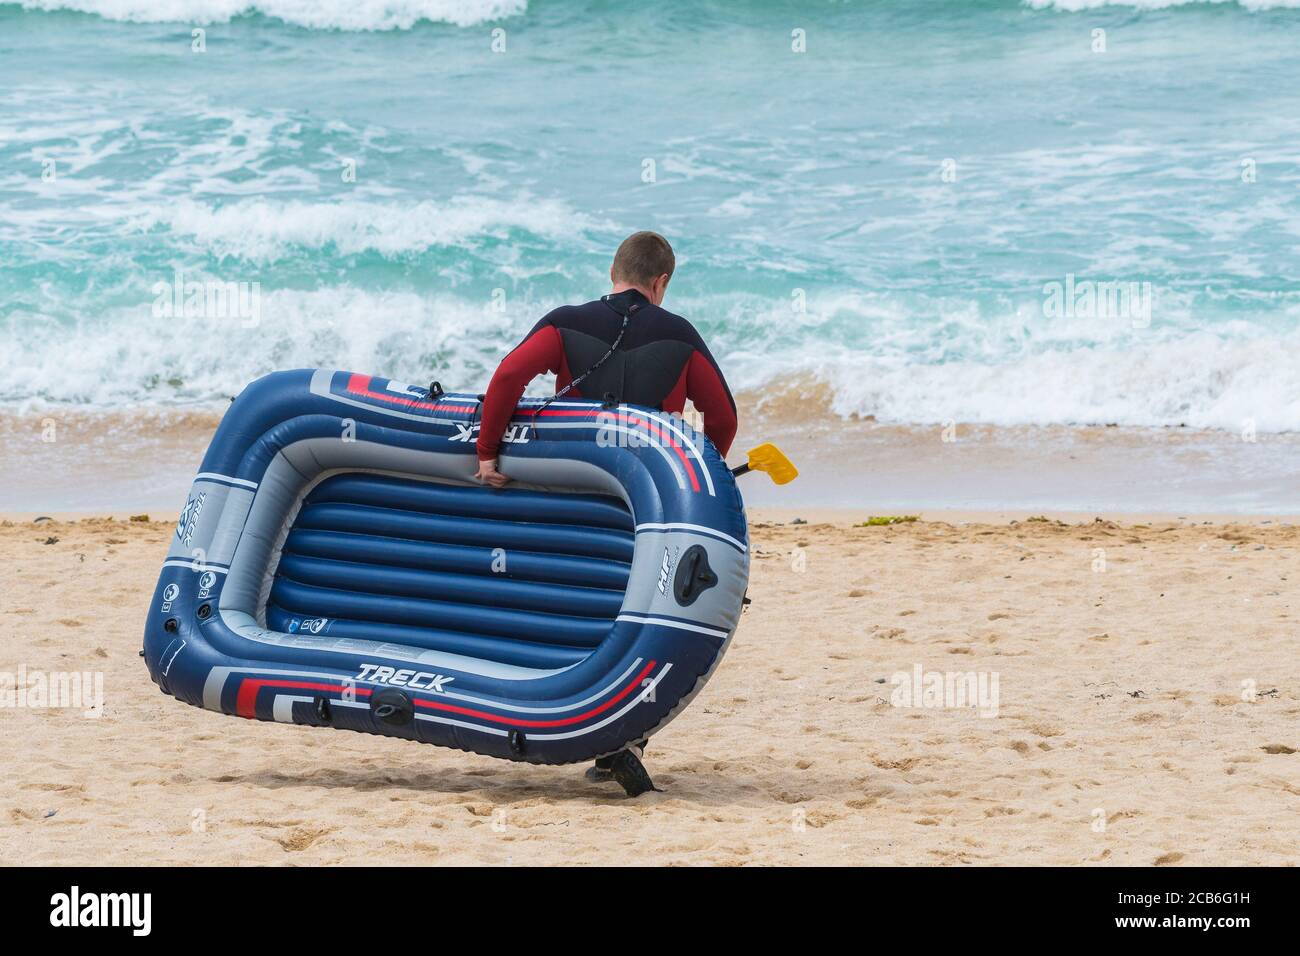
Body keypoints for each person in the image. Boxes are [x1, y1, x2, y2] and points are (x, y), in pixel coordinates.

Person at [473, 231, 738, 487]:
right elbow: (723, 419)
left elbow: (509, 376)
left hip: (574, 465)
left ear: (612, 272)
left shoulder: (565, 321)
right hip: (650, 478)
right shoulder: (682, 335)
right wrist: (699, 473)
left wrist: (487, 451)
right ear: (660, 282)